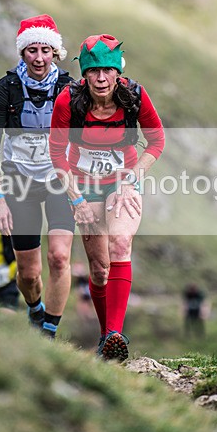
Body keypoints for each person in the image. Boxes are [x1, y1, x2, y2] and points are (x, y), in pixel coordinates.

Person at [49, 33, 165, 360]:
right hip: (82, 186)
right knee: (99, 270)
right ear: (83, 74)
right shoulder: (68, 102)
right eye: (93, 71)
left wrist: (132, 178)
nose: (101, 78)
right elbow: (57, 154)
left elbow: (156, 142)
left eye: (107, 71)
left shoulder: (136, 97)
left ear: (118, 72)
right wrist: (76, 200)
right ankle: (106, 338)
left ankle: (115, 332)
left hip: (122, 183)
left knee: (120, 243)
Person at [0, 14, 76, 339]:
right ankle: (35, 308)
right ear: (22, 53)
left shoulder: (69, 88)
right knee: (29, 272)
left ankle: (48, 331)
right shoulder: (5, 88)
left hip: (58, 181)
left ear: (55, 53)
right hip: (19, 181)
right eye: (32, 50)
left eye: (45, 50)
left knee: (60, 257)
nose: (39, 58)